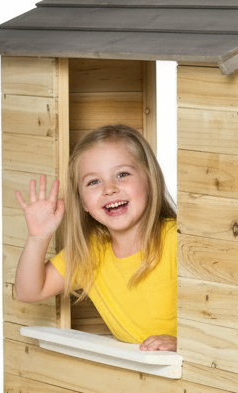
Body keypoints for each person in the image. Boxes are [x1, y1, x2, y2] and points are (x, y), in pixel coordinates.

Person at [15, 123, 177, 351]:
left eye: (122, 174)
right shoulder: (90, 252)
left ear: (150, 180)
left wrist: (185, 344)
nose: (109, 189)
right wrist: (38, 237)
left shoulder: (177, 240)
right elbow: (29, 291)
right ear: (83, 203)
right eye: (94, 182)